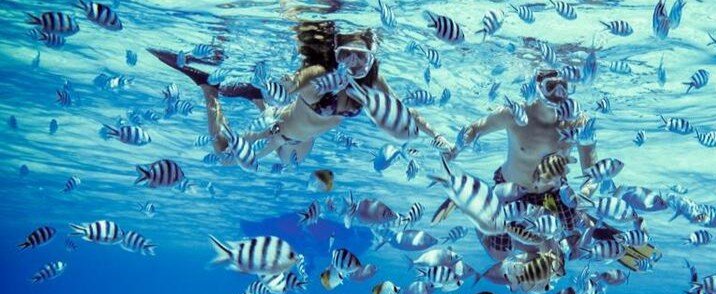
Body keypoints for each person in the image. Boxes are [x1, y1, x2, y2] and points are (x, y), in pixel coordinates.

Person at [148, 20, 450, 169]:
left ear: (372, 58)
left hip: (304, 139)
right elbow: (292, 83)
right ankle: (209, 89)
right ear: (336, 54)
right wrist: (280, 84)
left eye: (362, 57)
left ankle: (255, 99)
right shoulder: (321, 74)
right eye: (346, 55)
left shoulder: (372, 81)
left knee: (290, 164)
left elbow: (405, 112)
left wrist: (438, 136)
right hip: (279, 129)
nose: (353, 64)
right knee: (224, 157)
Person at [449, 68, 656, 270]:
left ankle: (588, 228)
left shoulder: (578, 122)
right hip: (511, 190)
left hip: (554, 192)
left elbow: (592, 172)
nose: (558, 93)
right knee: (499, 254)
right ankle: (483, 223)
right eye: (551, 86)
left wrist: (583, 196)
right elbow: (476, 128)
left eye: (564, 86)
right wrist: (455, 148)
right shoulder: (514, 114)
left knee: (569, 247)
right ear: (538, 87)